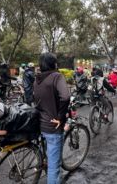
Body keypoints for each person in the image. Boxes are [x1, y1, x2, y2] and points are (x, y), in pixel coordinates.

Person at [34, 53, 70, 184]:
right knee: (54, 168)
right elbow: (65, 97)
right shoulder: (56, 76)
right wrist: (61, 117)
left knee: (48, 157)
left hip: (39, 124)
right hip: (53, 127)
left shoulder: (36, 79)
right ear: (54, 64)